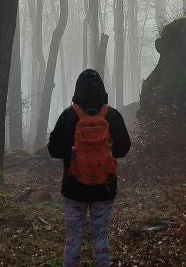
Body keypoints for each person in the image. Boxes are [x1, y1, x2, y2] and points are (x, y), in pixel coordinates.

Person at [48, 69, 131, 267]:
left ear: (77, 89)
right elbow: (123, 148)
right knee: (101, 239)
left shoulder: (69, 116)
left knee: (73, 239)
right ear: (102, 90)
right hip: (105, 187)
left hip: (74, 187)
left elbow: (53, 149)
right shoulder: (112, 116)